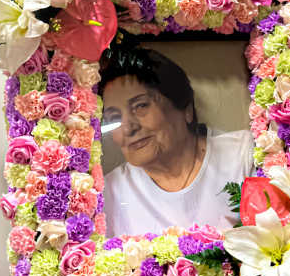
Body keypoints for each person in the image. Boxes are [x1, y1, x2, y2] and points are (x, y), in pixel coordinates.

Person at [100, 47, 253, 237]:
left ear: (186, 109)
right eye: (114, 117)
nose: (128, 128)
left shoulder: (243, 157)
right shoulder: (108, 193)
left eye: (141, 106)